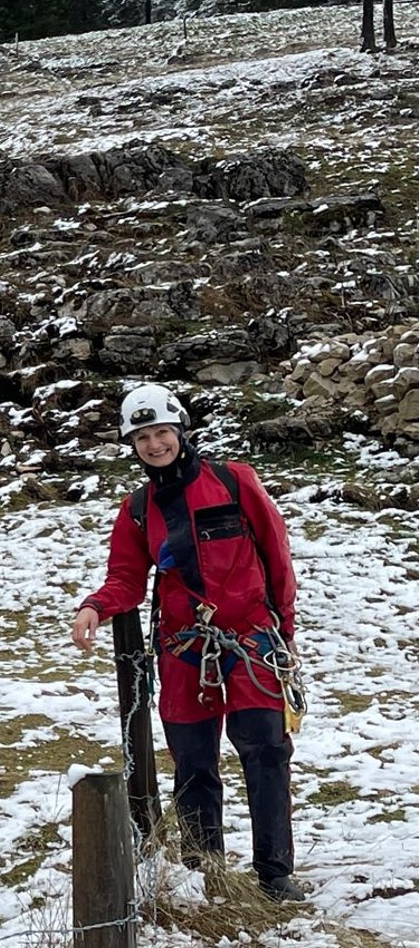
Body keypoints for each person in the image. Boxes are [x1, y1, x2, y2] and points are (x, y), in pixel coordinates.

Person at [72, 384, 307, 902]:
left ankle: (275, 874)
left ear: (180, 431)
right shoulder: (137, 510)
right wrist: (95, 606)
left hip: (252, 645)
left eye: (162, 433)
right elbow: (126, 577)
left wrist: (284, 632)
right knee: (193, 763)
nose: (154, 445)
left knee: (267, 752)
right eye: (142, 438)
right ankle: (205, 872)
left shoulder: (234, 481)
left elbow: (277, 556)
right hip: (185, 652)